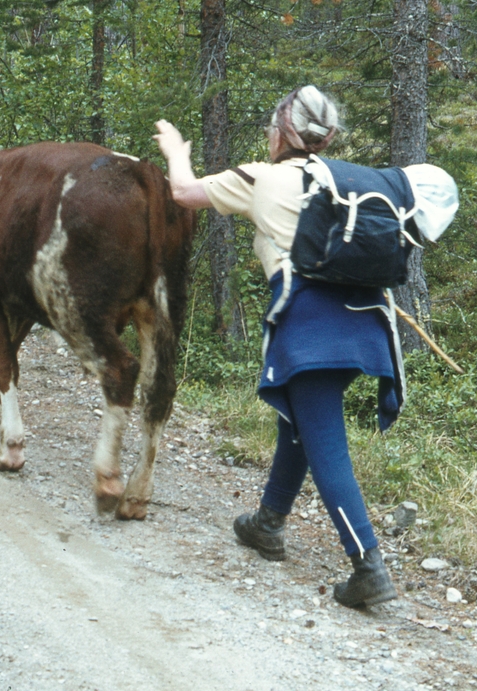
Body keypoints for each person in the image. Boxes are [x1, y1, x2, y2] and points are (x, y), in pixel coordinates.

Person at [154, 86, 453, 609]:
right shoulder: (343, 180)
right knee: (298, 419)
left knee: (325, 445)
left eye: (271, 128)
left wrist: (177, 151)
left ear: (279, 132)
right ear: (327, 137)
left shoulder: (259, 177)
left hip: (308, 325)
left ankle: (369, 566)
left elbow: (182, 193)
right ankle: (268, 521)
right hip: (362, 323)